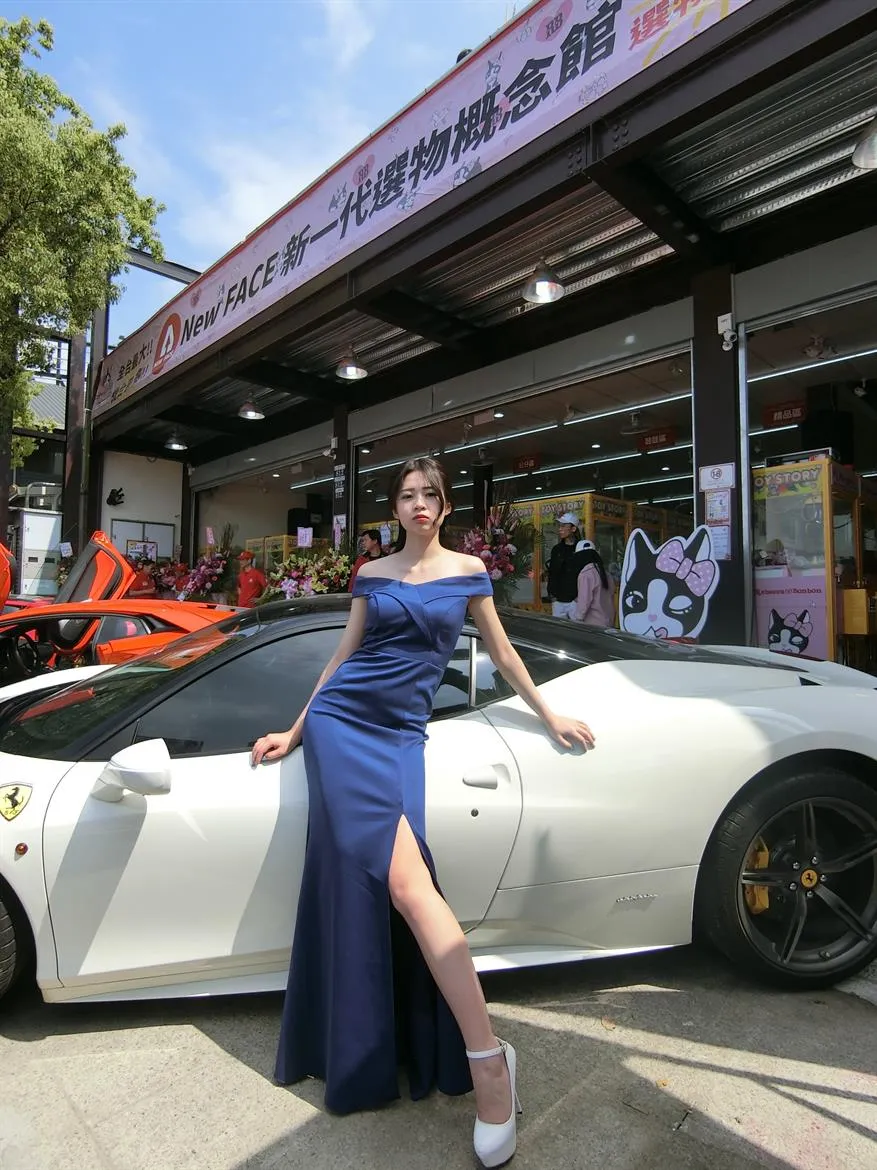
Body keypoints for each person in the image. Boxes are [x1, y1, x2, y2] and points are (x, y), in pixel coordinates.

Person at [251, 457, 594, 1167]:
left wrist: (549, 713)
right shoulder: (371, 574)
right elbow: (340, 660)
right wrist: (298, 727)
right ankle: (477, 1059)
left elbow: (502, 653)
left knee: (409, 889)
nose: (417, 505)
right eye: (406, 495)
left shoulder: (469, 572)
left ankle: (487, 1060)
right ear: (396, 507)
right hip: (342, 727)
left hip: (401, 736)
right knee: (394, 887)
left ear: (444, 506)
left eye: (428, 495)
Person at [570, 539, 616, 627]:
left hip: (593, 624)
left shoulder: (585, 574)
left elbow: (584, 603)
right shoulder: (606, 573)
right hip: (608, 621)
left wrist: (577, 619)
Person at [545, 512, 580, 618]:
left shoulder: (581, 548)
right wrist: (552, 595)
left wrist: (579, 597)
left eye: (564, 526)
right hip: (558, 601)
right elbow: (552, 573)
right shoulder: (557, 549)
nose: (560, 529)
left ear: (573, 529)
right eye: (559, 526)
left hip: (575, 601)